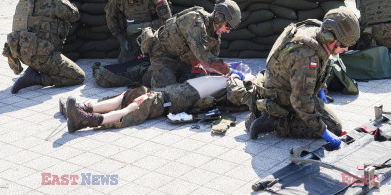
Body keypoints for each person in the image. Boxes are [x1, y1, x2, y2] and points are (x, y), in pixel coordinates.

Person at [247, 7, 360, 147]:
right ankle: (274, 123)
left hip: (285, 87)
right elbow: (300, 99)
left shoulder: (316, 30)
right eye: (343, 45)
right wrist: (322, 131)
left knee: (327, 119)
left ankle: (267, 114)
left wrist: (320, 89)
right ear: (330, 38)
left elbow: (320, 66)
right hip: (283, 97)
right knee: (334, 127)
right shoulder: (306, 56)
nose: (346, 49)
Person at [63, 74, 253, 133]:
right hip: (164, 94)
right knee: (129, 95)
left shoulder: (236, 85)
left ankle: (86, 120)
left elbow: (239, 96)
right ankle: (85, 109)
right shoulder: (226, 78)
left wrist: (240, 81)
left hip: (166, 101)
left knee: (133, 107)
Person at [2, 0, 84, 94]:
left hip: (23, 54)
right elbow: (74, 15)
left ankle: (33, 69)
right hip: (41, 56)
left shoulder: (23, 0)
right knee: (78, 76)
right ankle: (36, 79)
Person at [140, 0, 241, 88]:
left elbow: (211, 60)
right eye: (228, 27)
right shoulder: (195, 20)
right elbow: (203, 55)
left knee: (202, 84)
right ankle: (146, 72)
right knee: (170, 92)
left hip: (184, 61)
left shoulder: (214, 36)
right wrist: (228, 71)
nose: (228, 31)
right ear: (219, 17)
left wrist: (222, 68)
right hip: (163, 57)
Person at [105, 0, 172, 63]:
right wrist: (122, 40)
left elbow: (167, 21)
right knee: (124, 63)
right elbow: (110, 16)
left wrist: (142, 26)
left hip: (154, 35)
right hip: (132, 38)